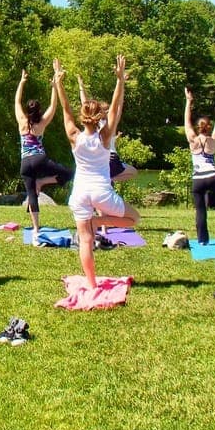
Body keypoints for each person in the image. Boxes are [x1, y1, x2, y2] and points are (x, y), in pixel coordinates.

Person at [54, 56, 140, 288]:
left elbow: (65, 109)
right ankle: (98, 221)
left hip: (80, 193)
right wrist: (120, 80)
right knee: (134, 218)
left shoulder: (74, 136)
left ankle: (92, 285)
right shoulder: (105, 137)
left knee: (85, 241)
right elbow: (115, 107)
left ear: (83, 117)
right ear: (99, 117)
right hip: (102, 192)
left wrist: (59, 83)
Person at [15, 68, 72, 241]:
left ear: (28, 110)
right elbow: (53, 106)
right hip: (40, 159)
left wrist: (22, 82)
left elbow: (17, 101)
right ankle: (43, 181)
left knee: (32, 194)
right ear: (39, 111)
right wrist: (54, 87)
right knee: (69, 173)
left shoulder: (22, 121)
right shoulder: (41, 124)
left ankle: (36, 229)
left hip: (25, 163)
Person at [184, 86, 215, 245]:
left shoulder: (193, 140)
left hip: (198, 180)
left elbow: (186, 122)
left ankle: (202, 240)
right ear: (208, 127)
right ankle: (212, 200)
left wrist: (188, 101)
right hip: (212, 177)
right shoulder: (213, 140)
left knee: (200, 211)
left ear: (198, 128)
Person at [77, 75, 137, 183]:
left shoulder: (92, 124)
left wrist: (81, 86)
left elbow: (85, 104)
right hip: (111, 159)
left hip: (96, 159)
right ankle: (110, 179)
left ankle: (107, 179)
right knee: (133, 172)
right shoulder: (110, 124)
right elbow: (119, 105)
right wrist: (121, 83)